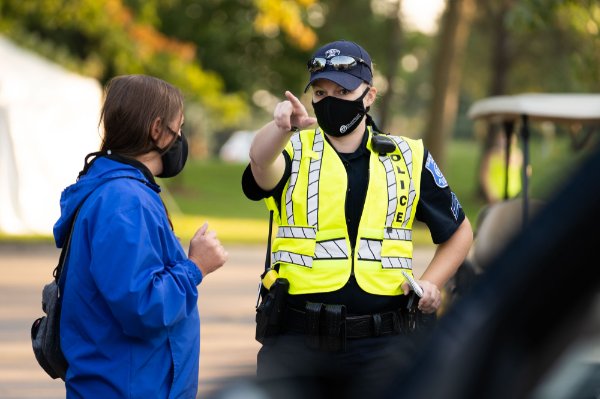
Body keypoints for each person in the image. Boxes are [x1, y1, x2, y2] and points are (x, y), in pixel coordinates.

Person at [241, 40, 473, 398]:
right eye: (320, 91)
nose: (329, 99)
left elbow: (459, 232)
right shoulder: (291, 148)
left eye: (342, 90)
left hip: (383, 346)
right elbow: (259, 163)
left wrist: (432, 284)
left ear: (370, 96)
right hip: (296, 344)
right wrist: (280, 127)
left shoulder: (408, 156)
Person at [54, 74, 228, 398]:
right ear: (158, 129)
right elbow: (143, 307)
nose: (181, 137)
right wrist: (196, 267)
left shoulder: (119, 190)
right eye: (180, 126)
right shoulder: (125, 201)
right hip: (127, 388)